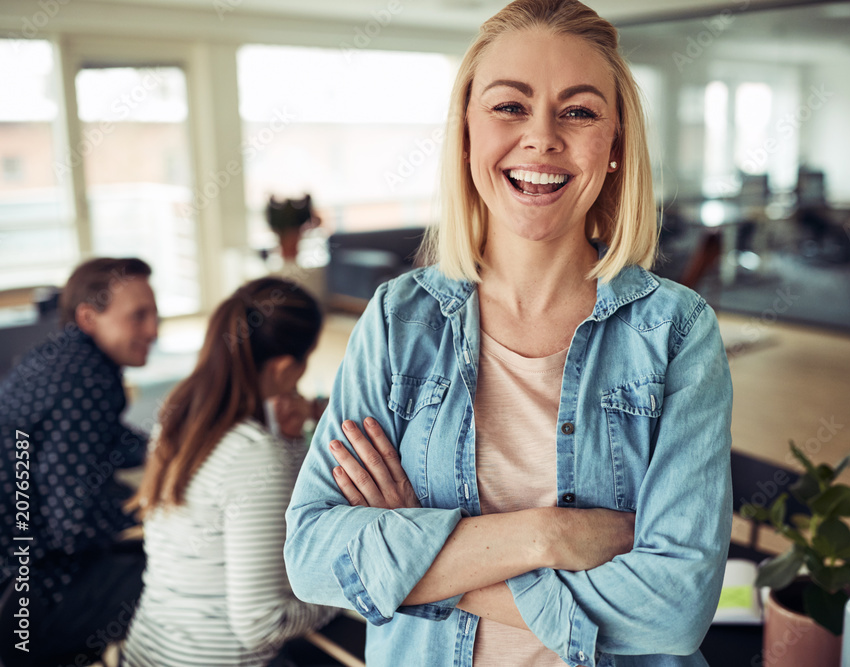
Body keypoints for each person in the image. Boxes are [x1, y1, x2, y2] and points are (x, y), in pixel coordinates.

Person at [284, 1, 734, 665]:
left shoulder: (676, 331)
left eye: (578, 110)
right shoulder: (398, 319)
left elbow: (674, 609)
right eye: (509, 106)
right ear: (466, 132)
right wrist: (545, 535)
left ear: (614, 144)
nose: (543, 139)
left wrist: (418, 559)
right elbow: (315, 557)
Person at [121, 276, 338, 667]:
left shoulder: (176, 415)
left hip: (144, 652)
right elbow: (263, 624)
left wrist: (289, 440)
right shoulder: (255, 455)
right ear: (287, 366)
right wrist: (341, 593)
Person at [0, 257, 158, 666]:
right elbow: (73, 524)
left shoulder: (54, 358)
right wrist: (151, 520)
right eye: (138, 316)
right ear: (89, 317)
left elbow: (99, 438)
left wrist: (164, 445)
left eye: (154, 313)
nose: (153, 330)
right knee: (179, 571)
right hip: (23, 601)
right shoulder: (87, 379)